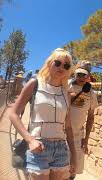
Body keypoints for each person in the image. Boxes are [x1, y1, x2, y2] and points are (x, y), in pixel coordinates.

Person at [8, 48, 76, 180]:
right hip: (38, 146)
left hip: (61, 148)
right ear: (49, 63)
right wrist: (30, 140)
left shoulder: (66, 93)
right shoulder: (35, 84)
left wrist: (74, 155)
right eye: (58, 63)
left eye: (66, 65)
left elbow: (68, 127)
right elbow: (13, 113)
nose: (61, 67)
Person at [68, 61, 98, 180]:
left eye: (84, 75)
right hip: (61, 134)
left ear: (88, 76)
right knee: (58, 168)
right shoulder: (66, 85)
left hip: (77, 136)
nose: (81, 77)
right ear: (74, 74)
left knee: (72, 170)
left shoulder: (91, 94)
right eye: (78, 74)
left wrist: (86, 140)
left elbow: (91, 117)